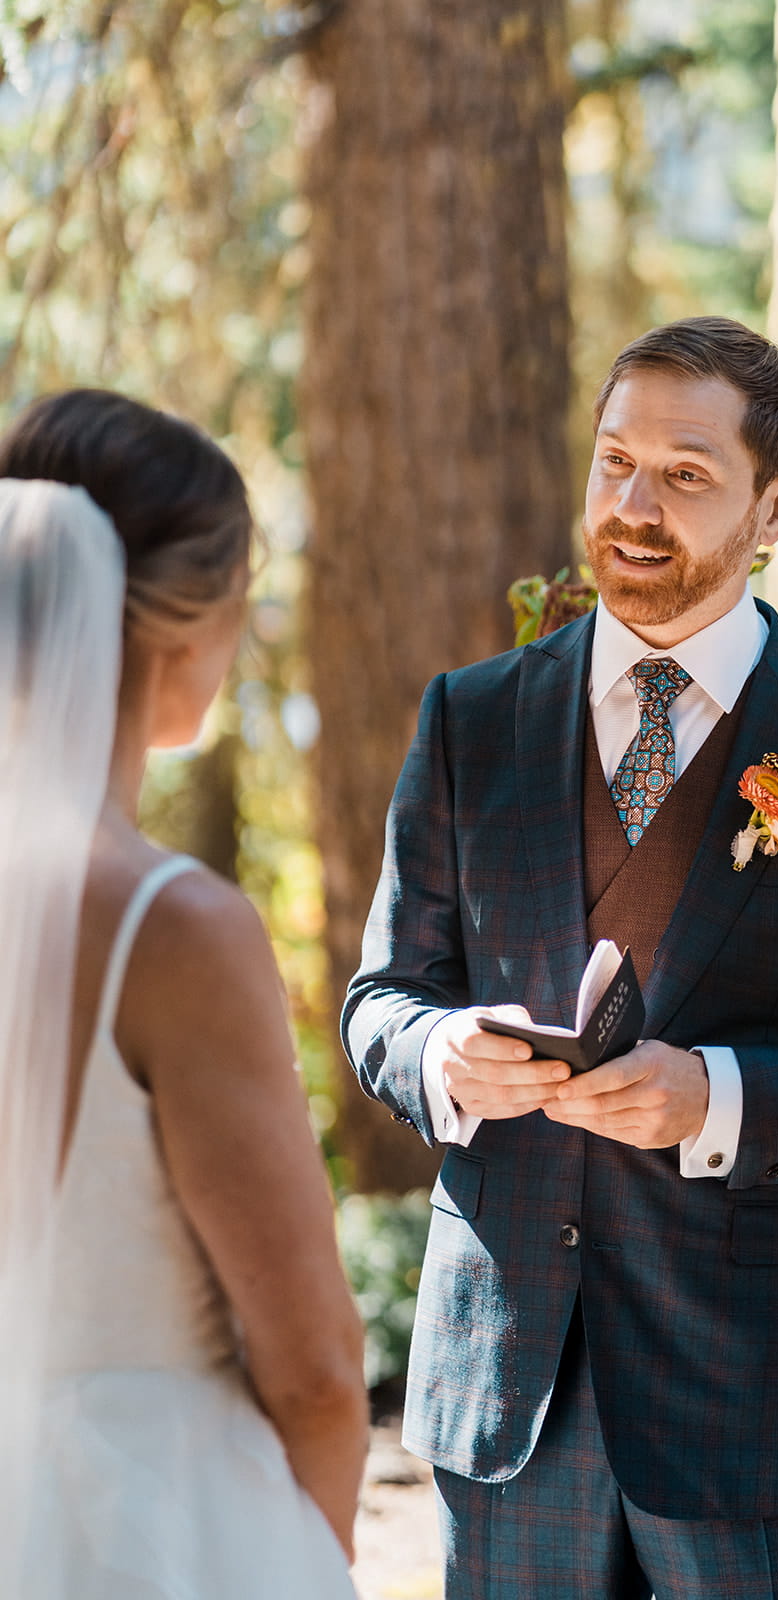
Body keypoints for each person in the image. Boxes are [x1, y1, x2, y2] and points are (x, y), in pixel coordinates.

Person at [343, 316, 778, 1600]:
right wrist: (442, 1054)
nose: (633, 507)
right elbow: (380, 1001)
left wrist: (719, 1098)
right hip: (504, 1399)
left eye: (685, 474)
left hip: (757, 1411)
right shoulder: (468, 719)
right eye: (613, 462)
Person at [0, 391, 367, 1599]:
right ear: (177, 628)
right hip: (152, 1532)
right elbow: (312, 1365)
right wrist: (303, 1554)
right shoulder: (175, 929)